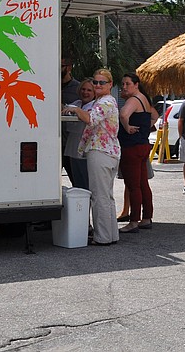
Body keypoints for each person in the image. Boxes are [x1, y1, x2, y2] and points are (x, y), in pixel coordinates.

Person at [65, 68, 121, 246]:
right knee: (106, 196)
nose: (97, 85)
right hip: (108, 152)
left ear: (110, 85)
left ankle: (102, 236)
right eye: (95, 82)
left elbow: (90, 119)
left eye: (101, 83)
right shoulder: (106, 100)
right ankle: (111, 235)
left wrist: (73, 109)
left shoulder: (105, 102)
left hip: (100, 152)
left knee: (99, 196)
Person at [117, 73, 159, 234]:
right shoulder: (144, 99)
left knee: (133, 185)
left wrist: (127, 127)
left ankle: (134, 221)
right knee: (142, 184)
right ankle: (146, 217)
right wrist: (145, 127)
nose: (124, 87)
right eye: (123, 84)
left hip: (131, 146)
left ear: (136, 84)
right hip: (142, 145)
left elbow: (123, 114)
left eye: (127, 84)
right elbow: (155, 116)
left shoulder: (134, 100)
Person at [62, 78, 95, 190]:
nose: (85, 92)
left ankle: (88, 207)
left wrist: (76, 111)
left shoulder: (95, 106)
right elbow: (64, 108)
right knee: (77, 184)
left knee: (87, 185)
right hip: (73, 149)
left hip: (85, 150)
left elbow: (88, 118)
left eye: (89, 90)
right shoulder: (77, 103)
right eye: (83, 89)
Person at [60, 55, 80, 182]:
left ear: (69, 68)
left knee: (76, 180)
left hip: (70, 143)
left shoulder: (78, 88)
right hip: (51, 143)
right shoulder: (49, 85)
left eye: (61, 66)